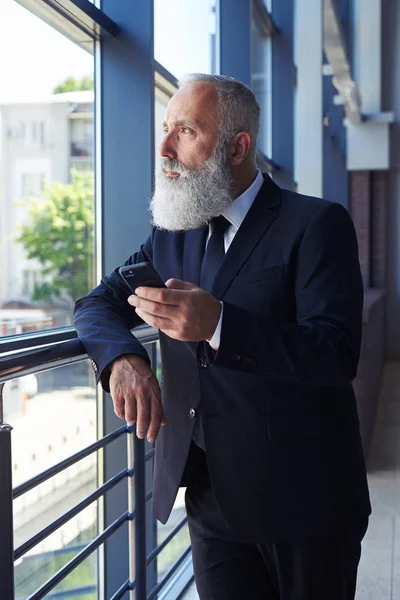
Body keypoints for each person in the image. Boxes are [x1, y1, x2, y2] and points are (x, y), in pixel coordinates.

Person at [74, 73, 371, 600]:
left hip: (305, 502)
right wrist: (123, 360)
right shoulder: (172, 234)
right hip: (212, 501)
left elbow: (335, 353)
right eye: (167, 129)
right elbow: (96, 303)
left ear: (237, 146)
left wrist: (219, 325)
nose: (164, 147)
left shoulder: (317, 224)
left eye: (185, 130)